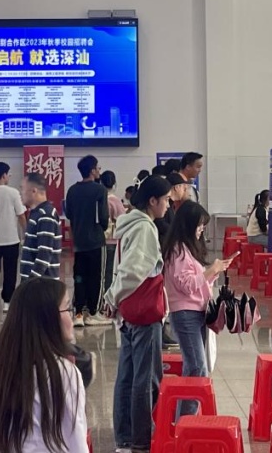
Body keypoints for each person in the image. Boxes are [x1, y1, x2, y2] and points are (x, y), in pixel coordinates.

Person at [0, 277, 88, 453]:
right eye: (68, 309)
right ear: (48, 318)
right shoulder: (60, 372)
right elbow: (76, 443)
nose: (71, 318)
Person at [106, 175, 171, 453]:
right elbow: (134, 271)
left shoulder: (129, 224)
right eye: (165, 200)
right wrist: (112, 296)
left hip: (129, 311)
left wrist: (114, 297)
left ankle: (124, 438)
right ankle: (141, 441)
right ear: (152, 201)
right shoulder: (145, 227)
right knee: (145, 379)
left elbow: (120, 268)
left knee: (127, 377)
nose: (168, 205)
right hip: (145, 313)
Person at [163, 200, 232, 415]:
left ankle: (184, 416)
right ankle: (186, 418)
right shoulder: (179, 250)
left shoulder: (187, 249)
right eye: (199, 224)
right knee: (197, 367)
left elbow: (197, 282)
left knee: (194, 365)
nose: (202, 229)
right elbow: (187, 285)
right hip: (185, 314)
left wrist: (214, 272)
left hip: (195, 312)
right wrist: (211, 270)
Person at [65, 155, 111, 329]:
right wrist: (102, 227)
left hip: (78, 241)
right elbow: (104, 216)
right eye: (98, 168)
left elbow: (69, 214)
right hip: (96, 240)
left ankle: (78, 313)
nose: (99, 171)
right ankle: (93, 312)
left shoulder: (72, 190)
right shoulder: (100, 190)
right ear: (92, 170)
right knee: (97, 277)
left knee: (79, 277)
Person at [0, 162, 26, 312]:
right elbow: (21, 215)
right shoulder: (13, 192)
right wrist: (25, 233)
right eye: (8, 174)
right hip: (11, 238)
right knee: (10, 271)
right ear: (4, 175)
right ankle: (7, 301)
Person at [20, 172, 62, 280]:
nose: (20, 193)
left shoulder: (46, 215)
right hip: (36, 282)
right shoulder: (36, 213)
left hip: (42, 284)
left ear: (34, 191)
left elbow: (44, 255)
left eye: (22, 189)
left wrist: (31, 281)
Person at [103, 170, 125, 295]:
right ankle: (110, 295)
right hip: (114, 240)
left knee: (103, 271)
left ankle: (104, 296)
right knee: (111, 271)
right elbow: (123, 220)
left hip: (102, 240)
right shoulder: (116, 201)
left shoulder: (100, 200)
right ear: (114, 183)